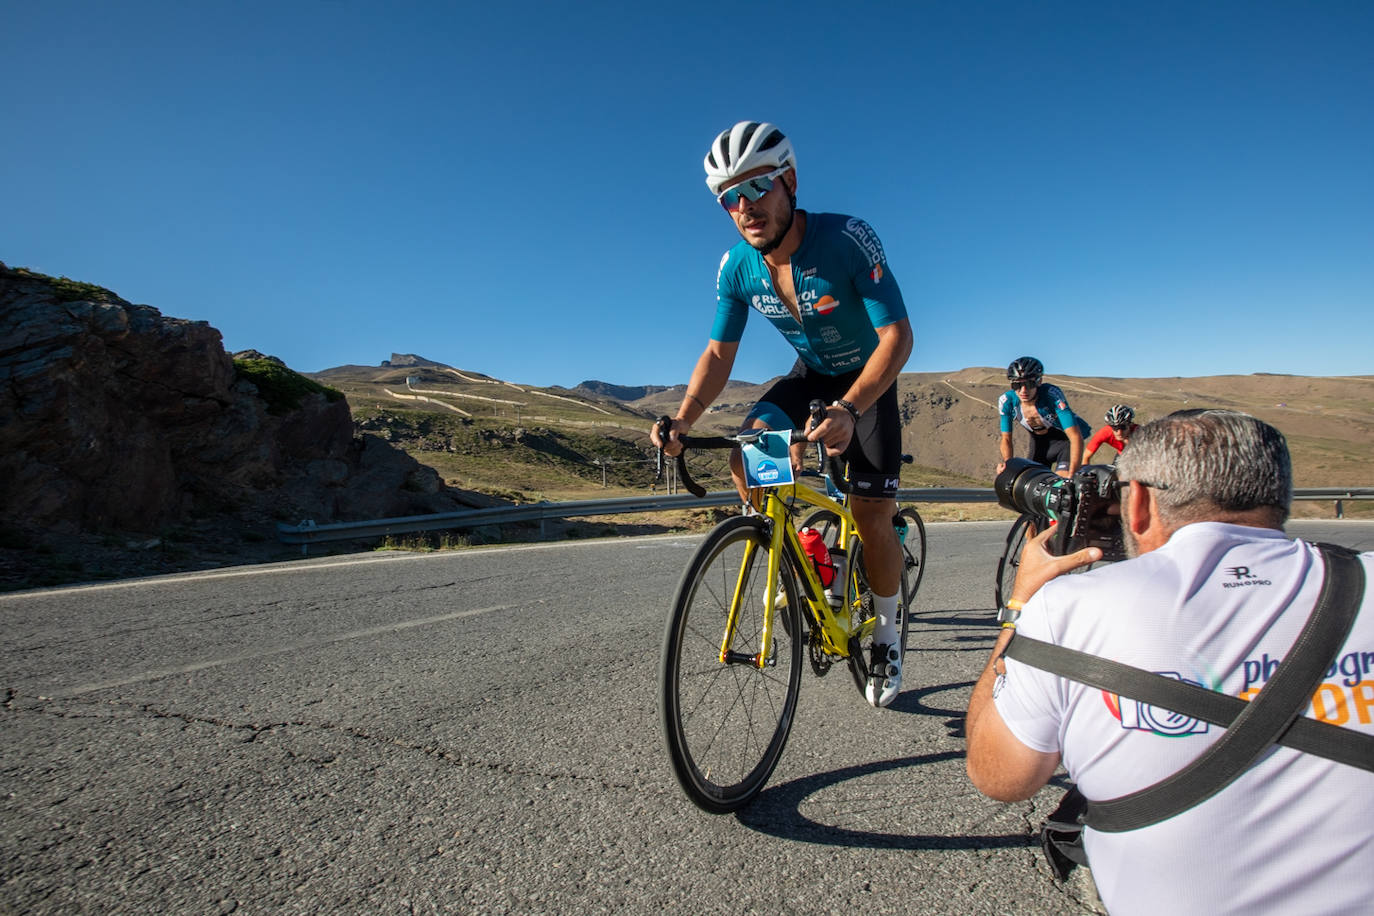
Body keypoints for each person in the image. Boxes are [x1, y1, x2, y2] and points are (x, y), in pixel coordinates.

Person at [966, 409, 1374, 916]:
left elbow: (998, 776)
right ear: (1281, 496)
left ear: (1136, 501)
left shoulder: (1068, 608)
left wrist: (1021, 604)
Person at [650, 120, 914, 707]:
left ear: (789, 181)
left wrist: (850, 408)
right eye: (728, 198)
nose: (744, 207)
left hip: (866, 382)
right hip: (809, 378)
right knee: (749, 450)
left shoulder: (845, 239)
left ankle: (889, 634)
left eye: (757, 188)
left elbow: (897, 338)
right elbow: (719, 354)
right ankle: (793, 550)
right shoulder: (736, 267)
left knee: (873, 517)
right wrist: (685, 420)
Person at [996, 357, 1091, 479]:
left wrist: (1072, 475)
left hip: (1064, 442)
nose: (1023, 390)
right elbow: (1006, 439)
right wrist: (1008, 466)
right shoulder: (1007, 401)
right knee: (1027, 483)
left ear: (1039, 381)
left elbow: (1075, 436)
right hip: (1039, 444)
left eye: (1029, 384)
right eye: (1017, 385)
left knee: (1062, 484)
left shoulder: (1051, 394)